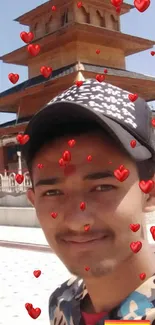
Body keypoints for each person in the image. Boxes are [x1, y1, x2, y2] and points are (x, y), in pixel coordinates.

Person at [22, 79, 155, 325]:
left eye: (103, 187)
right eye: (52, 192)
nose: (76, 220)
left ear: (150, 191)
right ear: (33, 200)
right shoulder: (64, 301)